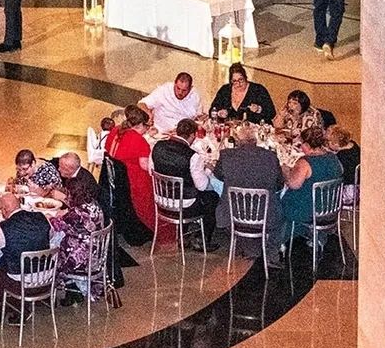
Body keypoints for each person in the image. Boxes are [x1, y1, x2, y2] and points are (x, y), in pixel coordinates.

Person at [214, 124, 284, 263]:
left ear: (238, 142)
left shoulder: (226, 155)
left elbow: (218, 175)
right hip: (265, 214)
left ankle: (241, 241)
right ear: (256, 140)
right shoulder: (271, 157)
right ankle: (272, 251)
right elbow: (279, 185)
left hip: (233, 213)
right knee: (282, 204)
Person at [150, 118, 219, 247]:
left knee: (188, 189)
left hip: (162, 200)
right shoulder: (193, 156)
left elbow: (151, 170)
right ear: (192, 135)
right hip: (184, 205)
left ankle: (183, 235)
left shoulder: (157, 146)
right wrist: (208, 170)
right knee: (212, 197)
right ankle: (203, 240)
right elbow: (202, 186)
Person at [0, 191, 52, 303]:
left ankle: (14, 305)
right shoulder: (42, 217)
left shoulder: (2, 228)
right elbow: (51, 236)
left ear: (4, 210)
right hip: (46, 277)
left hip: (20, 280)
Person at [281, 124, 344, 246]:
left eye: (302, 144)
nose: (301, 147)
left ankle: (279, 240)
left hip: (308, 211)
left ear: (307, 145)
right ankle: (317, 235)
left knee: (278, 200)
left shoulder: (305, 162)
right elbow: (340, 173)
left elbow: (294, 184)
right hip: (329, 208)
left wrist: (284, 170)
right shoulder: (333, 158)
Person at [54, 168, 107, 303]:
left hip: (82, 258)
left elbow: (57, 225)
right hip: (97, 253)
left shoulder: (76, 214)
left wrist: (52, 216)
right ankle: (74, 289)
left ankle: (67, 288)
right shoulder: (92, 204)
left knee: (53, 249)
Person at [104, 107, 155, 230]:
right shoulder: (140, 141)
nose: (147, 130)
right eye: (146, 127)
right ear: (139, 125)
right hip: (133, 181)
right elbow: (145, 166)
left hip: (116, 177)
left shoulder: (115, 130)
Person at [140, 72, 204, 136]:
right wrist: (148, 113)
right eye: (178, 88)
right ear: (174, 84)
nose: (180, 92)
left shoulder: (195, 96)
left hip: (182, 134)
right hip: (159, 132)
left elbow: (198, 118)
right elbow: (141, 104)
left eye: (184, 90)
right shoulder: (164, 90)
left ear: (190, 88)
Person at [209, 63, 276, 124]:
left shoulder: (258, 90)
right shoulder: (225, 90)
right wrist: (219, 113)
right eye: (234, 81)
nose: (238, 84)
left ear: (245, 77)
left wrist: (259, 109)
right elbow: (212, 111)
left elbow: (272, 113)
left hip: (254, 132)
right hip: (231, 131)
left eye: (241, 80)